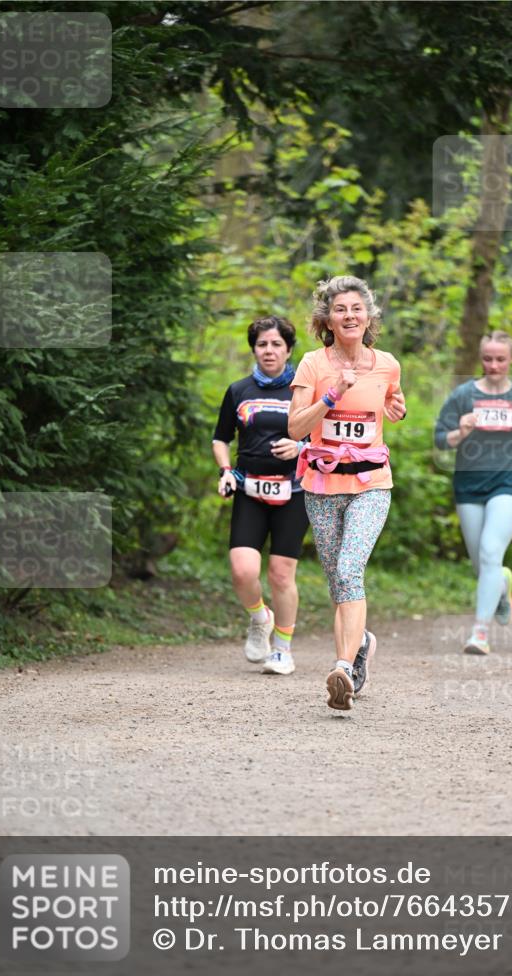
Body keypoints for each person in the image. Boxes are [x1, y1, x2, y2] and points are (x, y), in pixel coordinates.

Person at [288, 275, 406, 711]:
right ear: (327, 320)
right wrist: (331, 396)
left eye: (357, 308)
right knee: (339, 581)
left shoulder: (387, 364)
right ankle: (361, 647)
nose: (350, 315)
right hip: (322, 485)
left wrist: (398, 407)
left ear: (369, 317)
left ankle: (343, 668)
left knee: (350, 568)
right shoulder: (312, 364)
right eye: (340, 309)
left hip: (371, 483)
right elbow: (294, 427)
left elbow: (392, 401)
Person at [434, 331, 512, 654]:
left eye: (500, 359)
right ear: (480, 358)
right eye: (488, 359)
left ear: (511, 359)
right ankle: (502, 584)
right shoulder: (463, 395)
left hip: (510, 483)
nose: (494, 365)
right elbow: (441, 439)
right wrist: (460, 432)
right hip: (469, 485)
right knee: (482, 565)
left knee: (489, 551)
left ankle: (479, 634)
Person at [212, 316, 308, 675]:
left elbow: (321, 441)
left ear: (288, 349)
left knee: (281, 574)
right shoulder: (239, 391)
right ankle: (259, 618)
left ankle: (282, 649)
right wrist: (225, 471)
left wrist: (300, 448)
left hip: (294, 492)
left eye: (276, 344)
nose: (269, 351)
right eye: (262, 344)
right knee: (242, 570)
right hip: (249, 488)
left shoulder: (303, 392)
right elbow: (220, 438)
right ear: (254, 349)